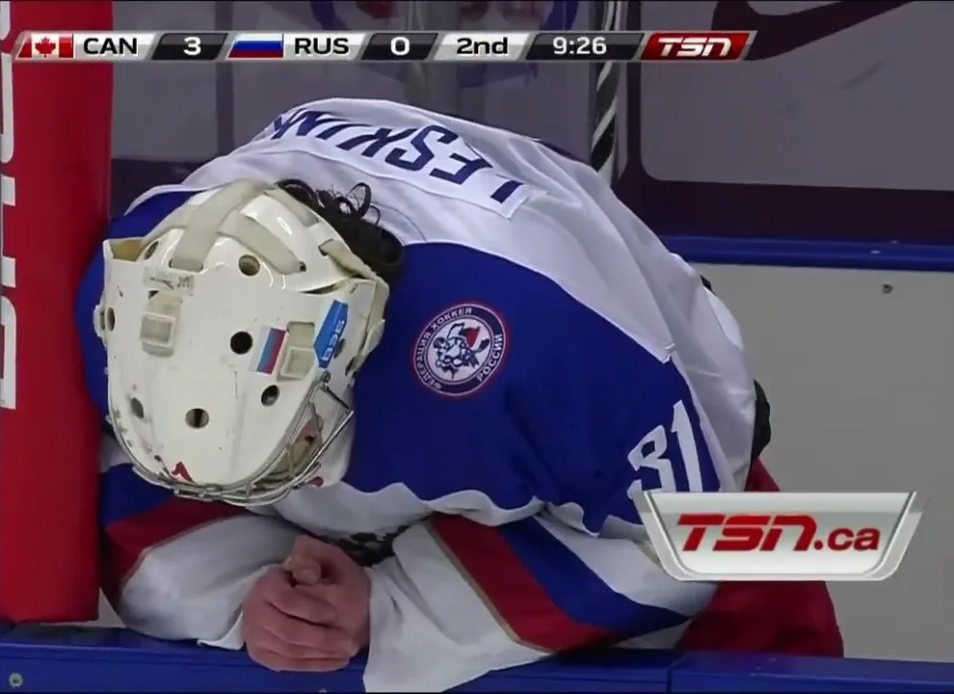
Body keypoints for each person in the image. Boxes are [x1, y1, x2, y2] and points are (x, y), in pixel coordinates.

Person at [76, 97, 842, 691]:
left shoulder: (550, 345)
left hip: (635, 485)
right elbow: (122, 483)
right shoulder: (129, 295)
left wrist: (390, 608)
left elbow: (680, 539)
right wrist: (255, 602)